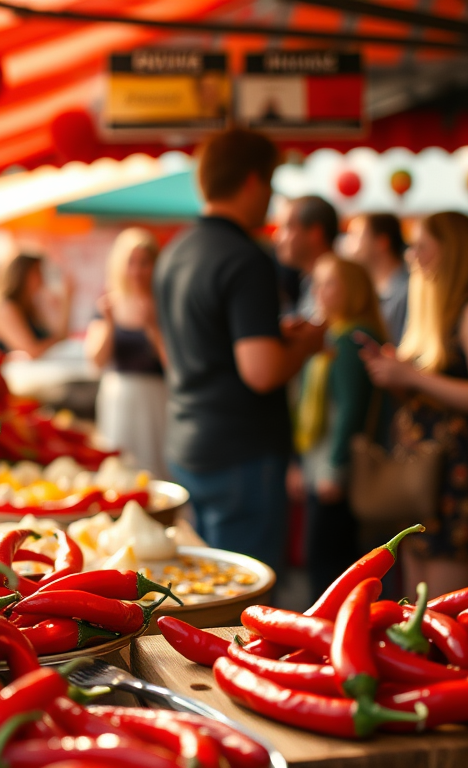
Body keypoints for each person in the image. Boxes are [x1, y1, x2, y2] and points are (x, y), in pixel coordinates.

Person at [153, 129, 325, 572]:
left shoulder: (174, 251)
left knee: (207, 590)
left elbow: (198, 339)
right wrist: (305, 346)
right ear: (252, 182)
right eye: (270, 183)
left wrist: (274, 335)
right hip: (241, 452)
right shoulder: (245, 257)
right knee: (244, 599)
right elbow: (261, 371)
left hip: (188, 439)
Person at [360, 211, 468, 596]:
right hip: (428, 473)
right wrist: (395, 374)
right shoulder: (438, 310)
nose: (412, 256)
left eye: (421, 246)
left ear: (454, 250)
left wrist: (410, 376)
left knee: (442, 608)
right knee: (417, 604)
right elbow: (435, 395)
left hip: (460, 472)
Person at [295, 255, 386, 599]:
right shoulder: (334, 334)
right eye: (316, 281)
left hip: (340, 469)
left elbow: (352, 409)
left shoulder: (352, 339)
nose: (318, 291)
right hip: (324, 464)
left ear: (353, 289)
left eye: (329, 282)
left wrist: (333, 468)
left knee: (328, 563)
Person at [85, 228, 169, 478]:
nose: (136, 271)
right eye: (131, 262)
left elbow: (172, 365)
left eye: (144, 263)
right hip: (119, 398)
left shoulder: (164, 306)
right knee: (120, 467)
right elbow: (96, 361)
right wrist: (110, 323)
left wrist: (152, 326)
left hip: (155, 399)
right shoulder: (107, 305)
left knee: (155, 465)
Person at [0, 252, 71, 359]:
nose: (42, 278)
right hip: (10, 374)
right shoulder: (5, 308)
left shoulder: (30, 306)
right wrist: (57, 341)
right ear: (22, 275)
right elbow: (32, 352)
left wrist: (66, 302)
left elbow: (58, 335)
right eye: (38, 272)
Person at [345, 213, 410, 344]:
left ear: (382, 242)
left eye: (355, 236)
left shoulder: (408, 291)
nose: (347, 244)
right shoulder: (364, 289)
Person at [273, 195, 339, 320]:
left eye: (286, 227)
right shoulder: (309, 282)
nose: (276, 237)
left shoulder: (339, 285)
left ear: (315, 233)